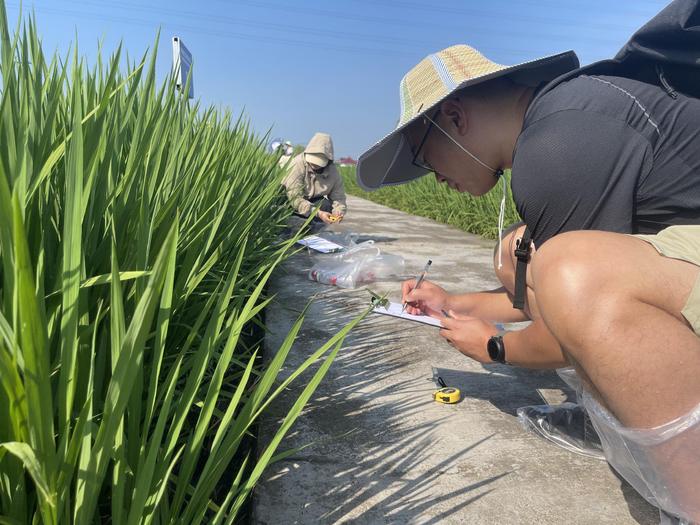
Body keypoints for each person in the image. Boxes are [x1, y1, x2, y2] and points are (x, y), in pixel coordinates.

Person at [356, 32, 700, 522]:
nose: (434, 177)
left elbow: (578, 304)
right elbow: (544, 297)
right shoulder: (565, 115)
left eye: (423, 156)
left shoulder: (557, 145)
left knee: (566, 267)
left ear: (455, 118)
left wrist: (497, 348)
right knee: (519, 250)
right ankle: (616, 416)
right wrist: (453, 302)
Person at [282, 132, 346, 224]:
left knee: (326, 206)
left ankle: (312, 227)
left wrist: (338, 211)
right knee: (296, 224)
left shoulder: (333, 172)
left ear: (328, 161)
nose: (314, 164)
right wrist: (318, 213)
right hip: (290, 202)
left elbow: (339, 197)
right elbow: (295, 198)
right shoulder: (297, 164)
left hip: (311, 201)